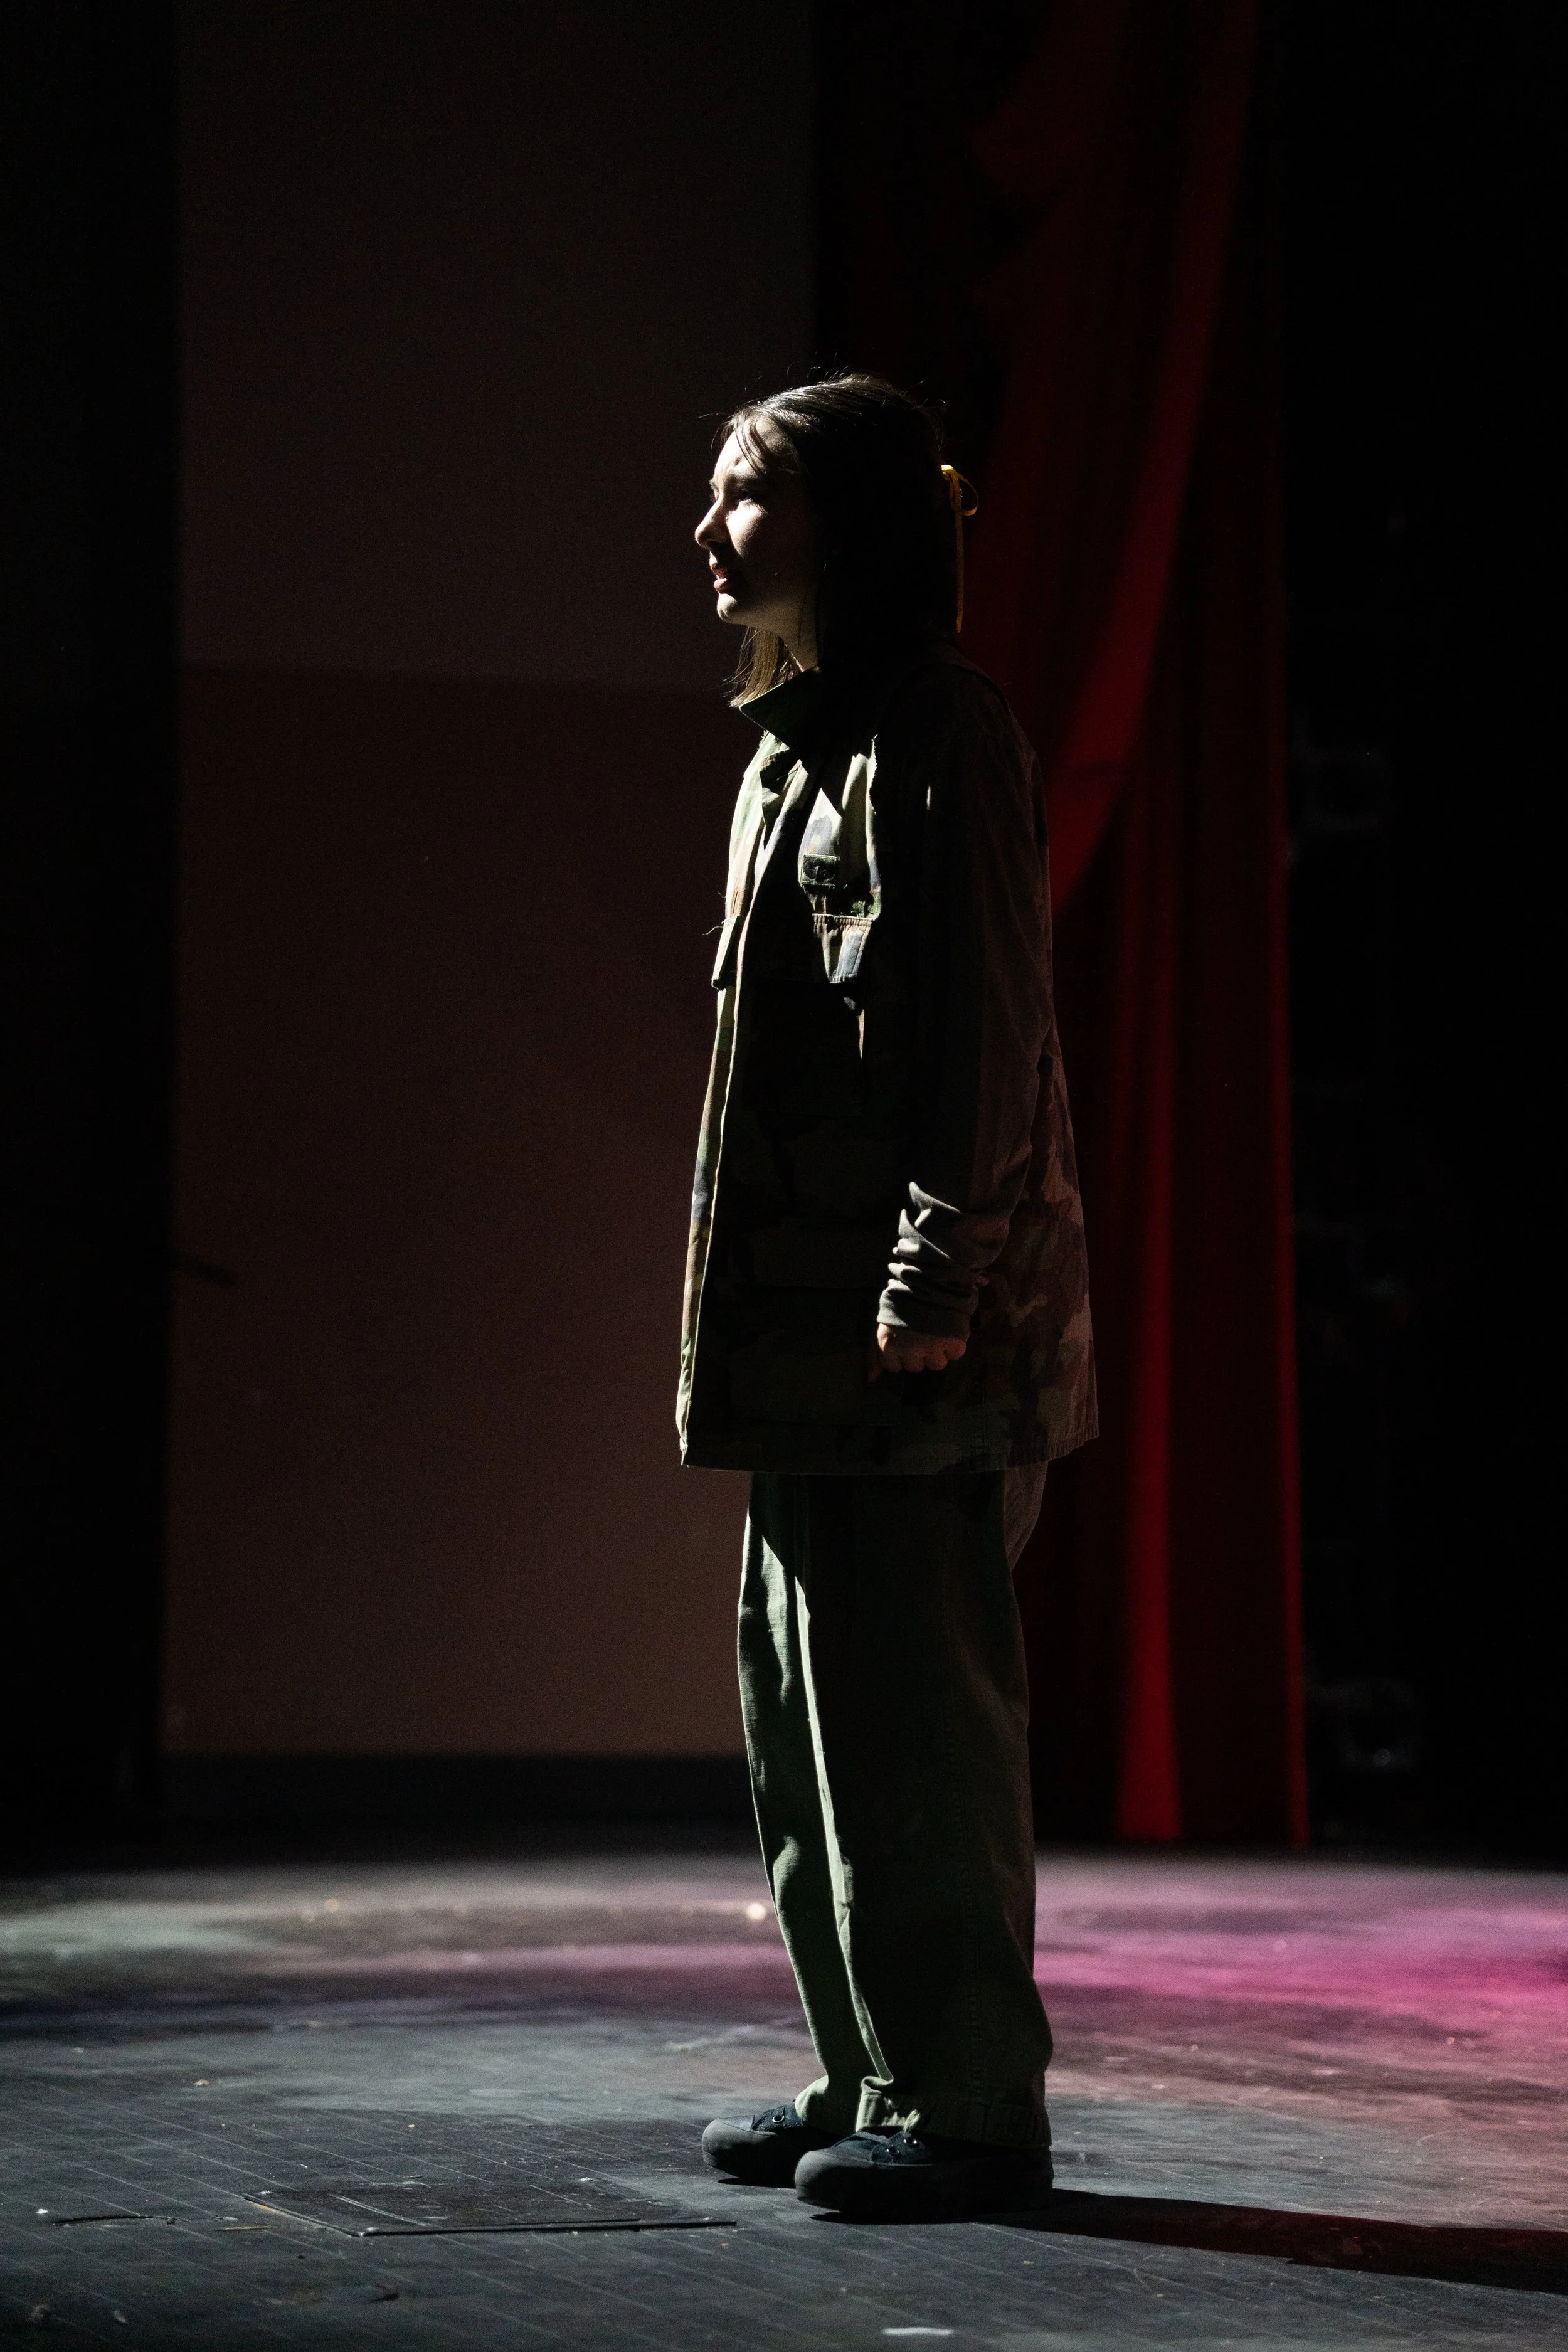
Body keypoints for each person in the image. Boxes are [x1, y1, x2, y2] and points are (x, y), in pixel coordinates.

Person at [682, 375, 1097, 2221]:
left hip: (914, 1351)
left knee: (916, 1731)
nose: (706, 539)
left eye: (741, 504)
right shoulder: (786, 751)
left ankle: (967, 2100)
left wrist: (933, 1272)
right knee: (801, 1715)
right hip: (801, 1358)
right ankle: (869, 2065)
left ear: (840, 528)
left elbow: (986, 1041)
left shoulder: (945, 733)